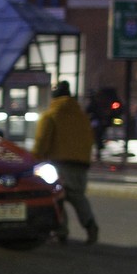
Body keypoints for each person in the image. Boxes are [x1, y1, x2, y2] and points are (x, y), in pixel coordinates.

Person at [34, 80, 99, 245]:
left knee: (57, 199)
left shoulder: (50, 115)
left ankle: (61, 231)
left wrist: (34, 159)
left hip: (59, 164)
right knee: (78, 198)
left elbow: (42, 142)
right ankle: (91, 226)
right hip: (81, 165)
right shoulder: (82, 116)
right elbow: (89, 139)